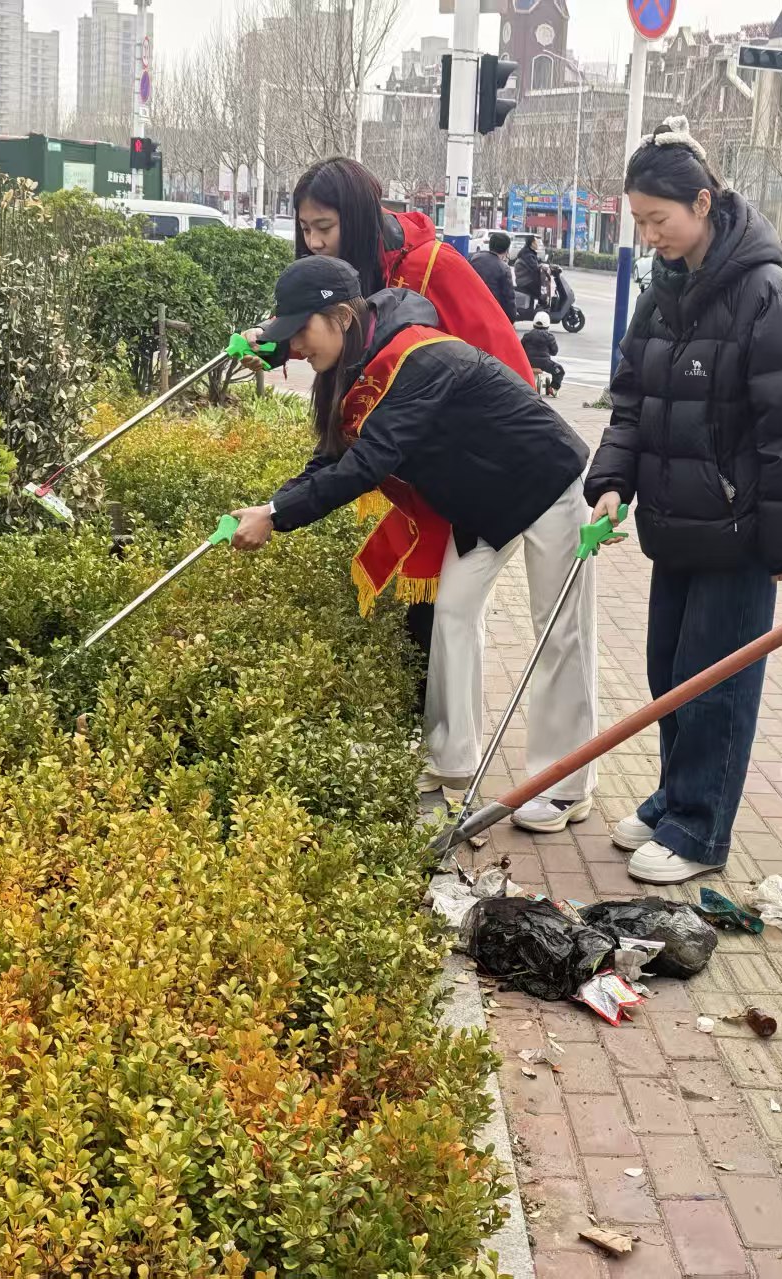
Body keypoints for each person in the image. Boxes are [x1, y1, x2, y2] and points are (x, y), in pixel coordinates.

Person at [232, 256, 601, 833]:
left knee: (559, 632)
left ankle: (565, 785)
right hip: (482, 501)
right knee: (451, 611)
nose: (297, 347)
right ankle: (452, 760)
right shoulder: (360, 356)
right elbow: (332, 458)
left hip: (547, 480)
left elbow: (368, 463)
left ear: (341, 317)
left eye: (301, 332)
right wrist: (272, 506)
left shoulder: (416, 358)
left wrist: (277, 518)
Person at [586, 117, 782, 885]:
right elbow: (631, 402)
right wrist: (611, 485)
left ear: (702, 203)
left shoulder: (764, 293)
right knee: (671, 674)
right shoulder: (663, 293)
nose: (649, 235)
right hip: (673, 524)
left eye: (658, 219)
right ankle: (674, 796)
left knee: (715, 684)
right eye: (639, 221)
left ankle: (700, 826)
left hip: (736, 529)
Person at [258, 158, 534, 742]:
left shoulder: (430, 268)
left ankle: (450, 749)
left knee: (446, 614)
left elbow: (508, 367)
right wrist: (278, 344)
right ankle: (436, 744)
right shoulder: (347, 277)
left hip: (467, 467)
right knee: (434, 616)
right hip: (407, 463)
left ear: (358, 218)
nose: (314, 241)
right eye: (305, 229)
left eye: (325, 227)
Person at [474, 231, 519, 320]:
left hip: (472, 310)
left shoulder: (474, 259)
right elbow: (508, 299)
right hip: (491, 314)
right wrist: (511, 319)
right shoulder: (504, 268)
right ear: (506, 250)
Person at [522, 311, 564, 396]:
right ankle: (553, 388)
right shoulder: (550, 337)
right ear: (547, 324)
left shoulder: (527, 336)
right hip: (544, 363)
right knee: (559, 371)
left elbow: (521, 349)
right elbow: (554, 352)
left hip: (528, 362)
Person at [514, 235, 545, 313]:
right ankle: (541, 306)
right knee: (541, 293)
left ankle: (539, 305)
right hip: (525, 281)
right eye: (536, 242)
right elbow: (534, 267)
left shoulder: (529, 252)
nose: (537, 244)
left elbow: (536, 261)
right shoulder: (527, 254)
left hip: (525, 279)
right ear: (532, 243)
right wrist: (541, 266)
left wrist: (541, 263)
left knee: (541, 287)